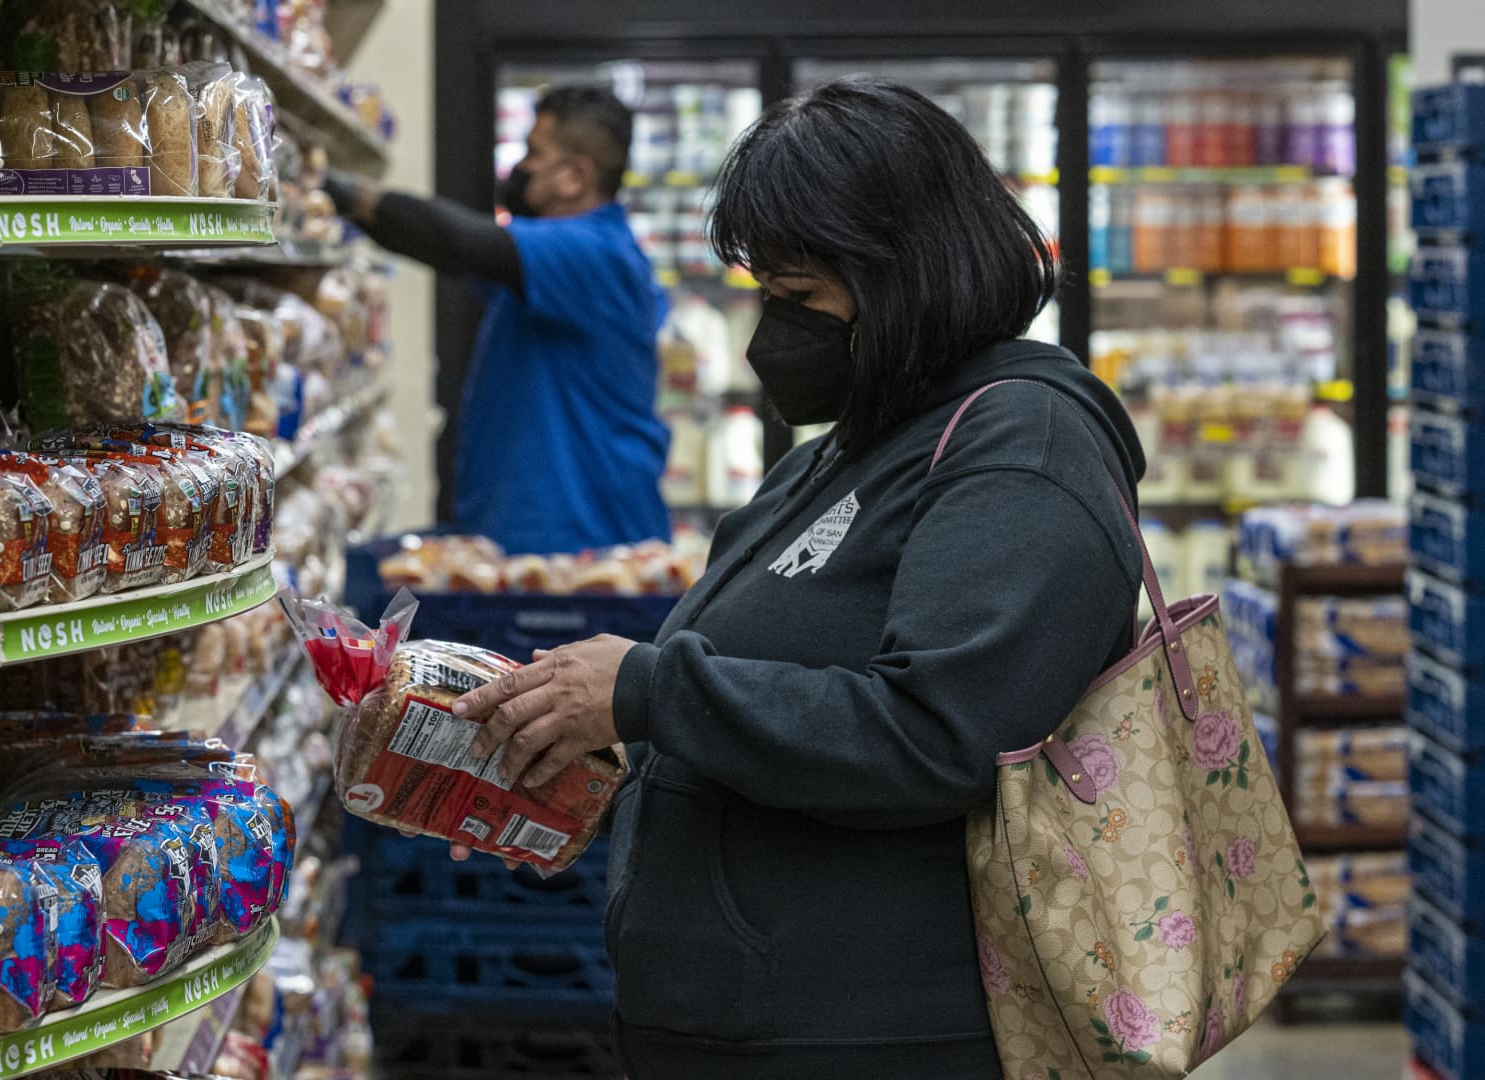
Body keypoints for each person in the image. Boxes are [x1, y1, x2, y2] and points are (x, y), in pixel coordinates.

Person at [447, 79, 1148, 1078]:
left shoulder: (1022, 446)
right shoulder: (863, 439)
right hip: (753, 1026)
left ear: (910, 275)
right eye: (764, 293)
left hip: (887, 1036)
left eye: (801, 297)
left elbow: (944, 733)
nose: (770, 333)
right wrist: (581, 762)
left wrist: (647, 690)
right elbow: (772, 696)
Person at [324, 86, 671, 555]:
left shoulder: (598, 253)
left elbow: (462, 242)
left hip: (588, 544)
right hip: (537, 538)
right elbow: (443, 249)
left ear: (574, 176)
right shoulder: (546, 261)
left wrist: (340, 190)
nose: (521, 168)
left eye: (534, 153)